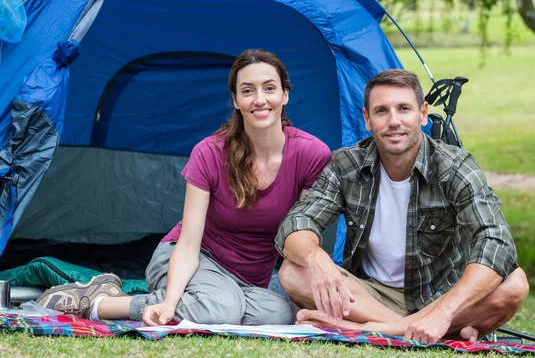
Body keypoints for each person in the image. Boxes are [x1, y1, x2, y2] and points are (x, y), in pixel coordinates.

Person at [36, 49, 331, 327]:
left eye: (269, 88)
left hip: (247, 281)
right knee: (221, 308)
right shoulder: (211, 152)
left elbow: (298, 239)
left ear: (285, 94)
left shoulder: (311, 154)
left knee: (279, 314)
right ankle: (98, 302)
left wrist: (300, 302)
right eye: (247, 90)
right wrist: (170, 302)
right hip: (190, 260)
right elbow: (189, 242)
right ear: (236, 100)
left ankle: (216, 304)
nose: (259, 99)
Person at [275, 69, 529, 343]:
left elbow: (496, 242)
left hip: (439, 294)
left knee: (515, 283)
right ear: (367, 119)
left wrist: (443, 310)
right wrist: (317, 259)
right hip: (370, 295)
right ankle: (419, 330)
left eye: (404, 109)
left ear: (422, 114)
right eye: (382, 111)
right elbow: (296, 224)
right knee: (293, 271)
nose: (394, 121)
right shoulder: (346, 164)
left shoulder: (455, 167)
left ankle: (373, 329)